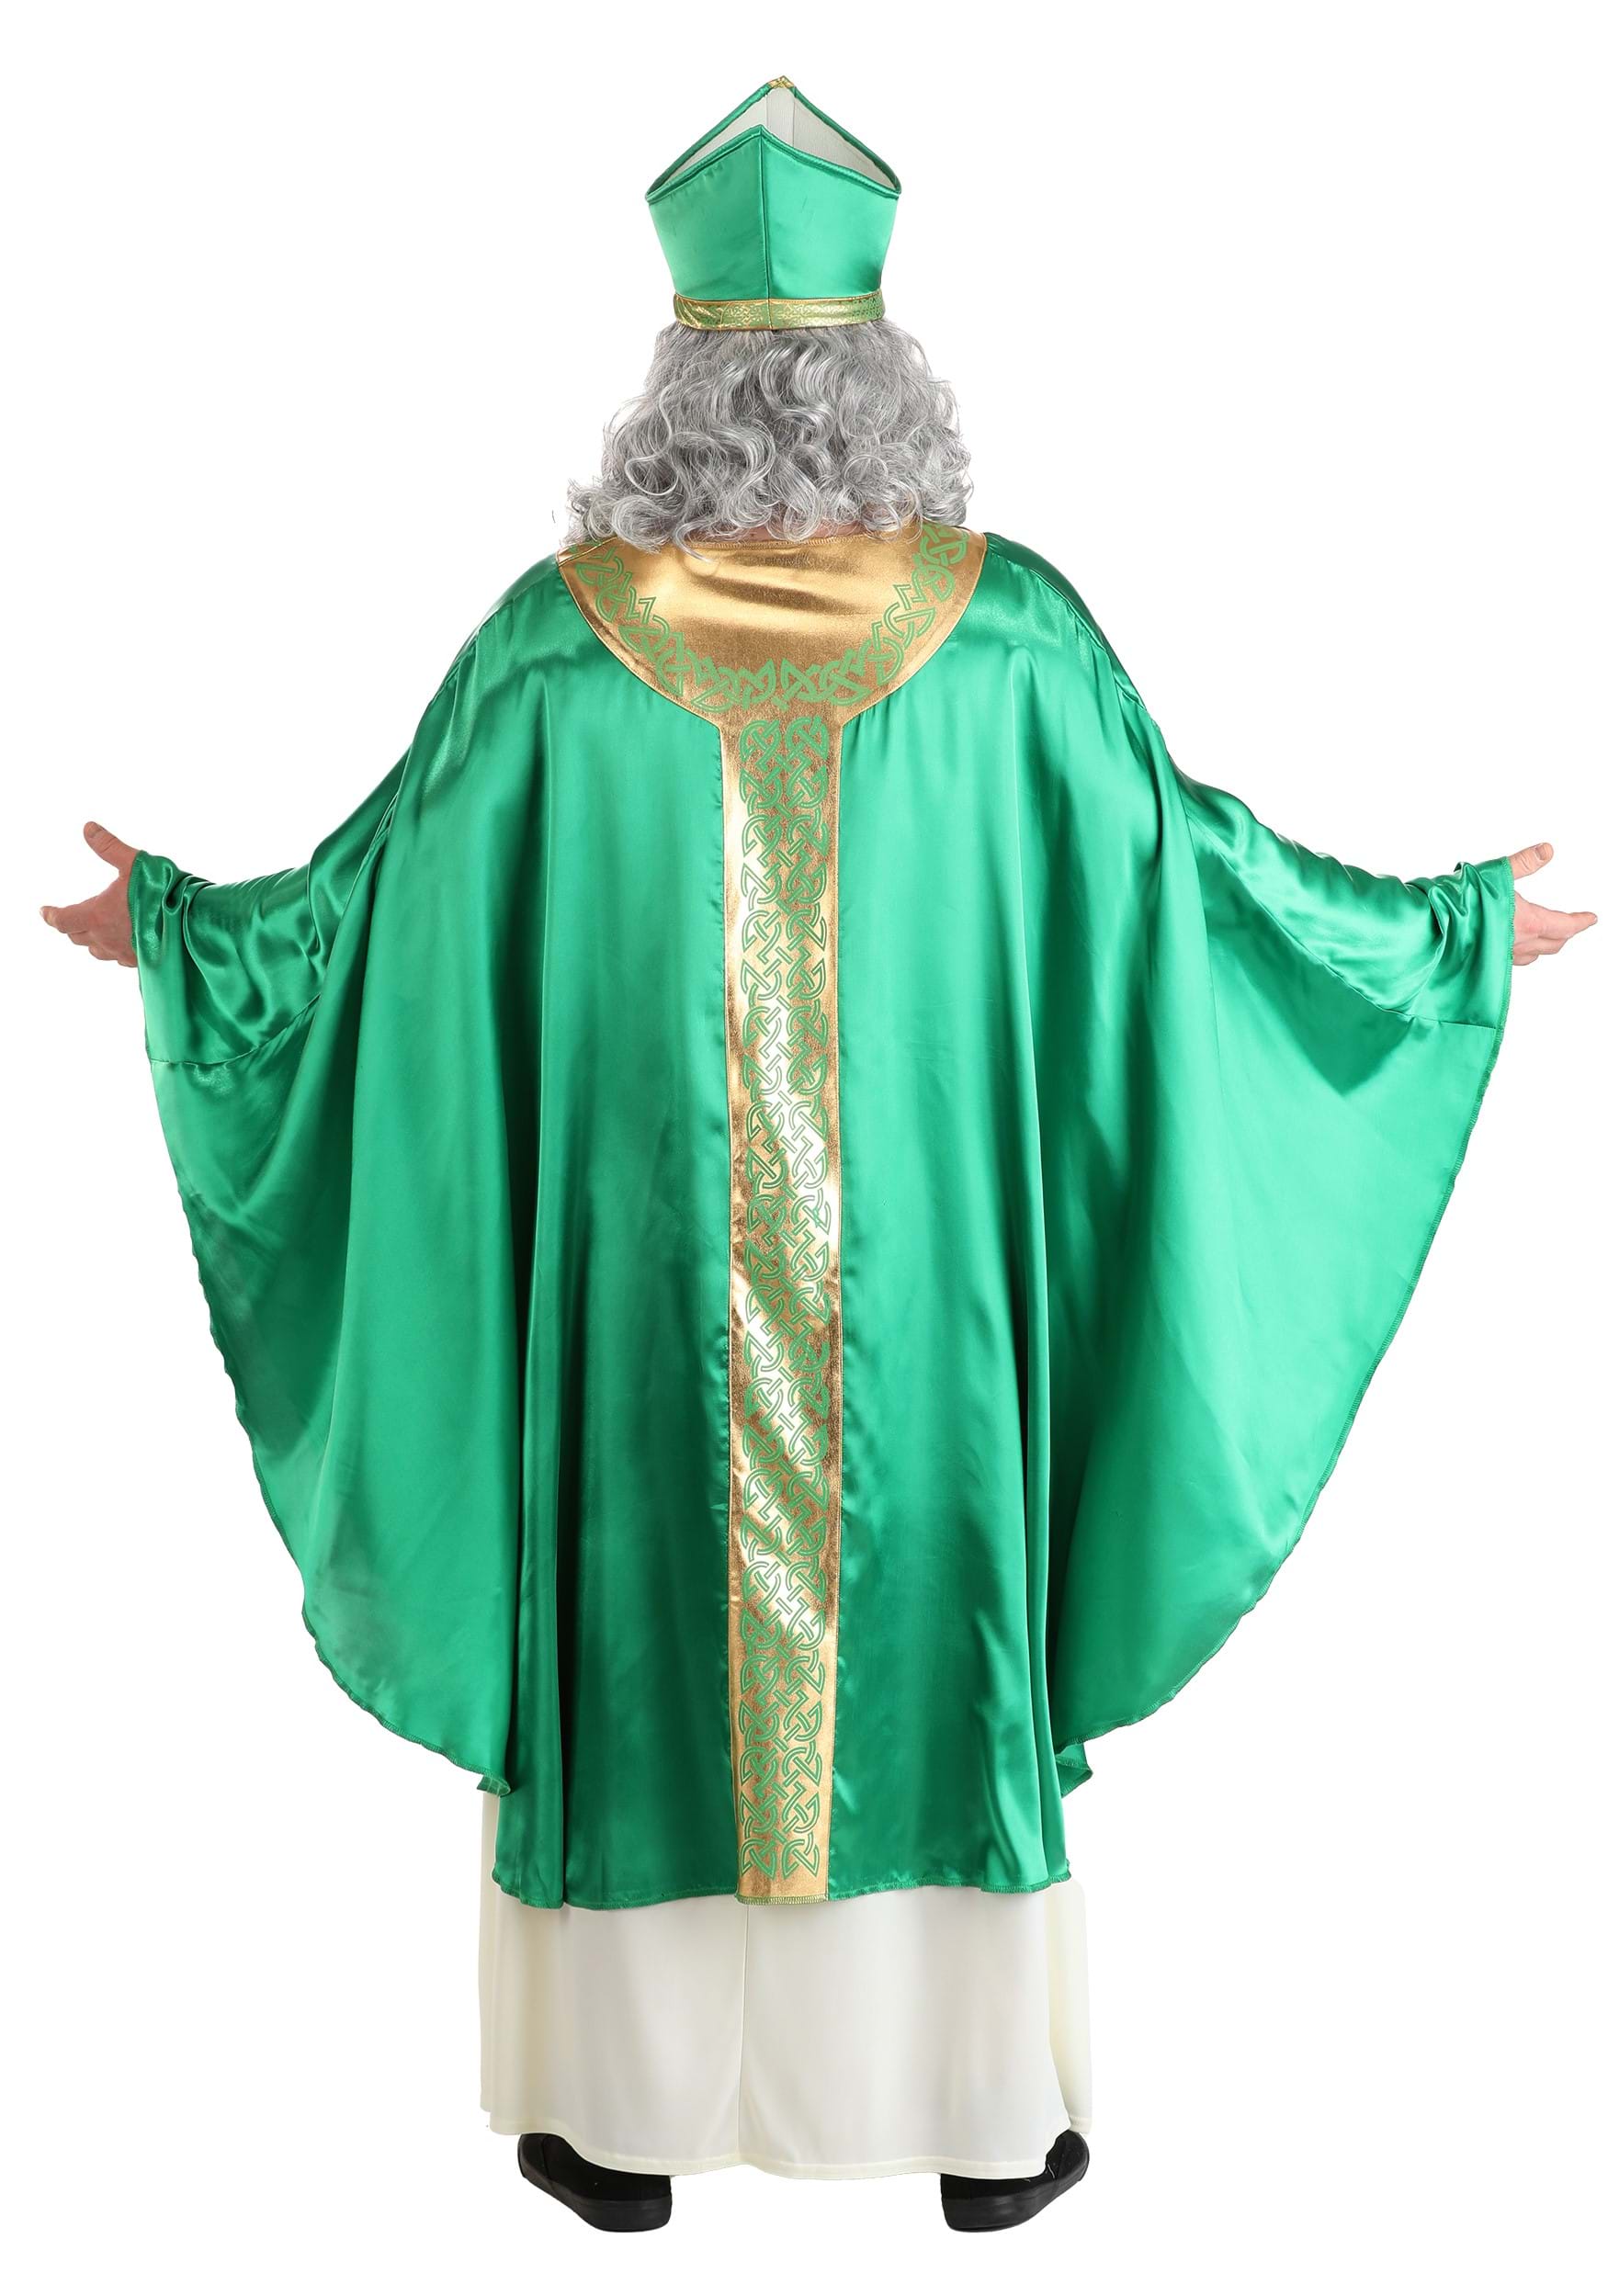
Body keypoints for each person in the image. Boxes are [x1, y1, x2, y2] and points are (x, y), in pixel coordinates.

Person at [41, 76, 1595, 2235]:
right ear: (885, 381)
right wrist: (1430, 937)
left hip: (642, 1340)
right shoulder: (1013, 644)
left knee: (646, 1639)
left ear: (672, 390)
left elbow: (364, 917)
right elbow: (1208, 898)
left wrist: (186, 937)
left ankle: (622, 2113)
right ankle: (975, 2108)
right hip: (927, 1350)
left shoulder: (555, 651)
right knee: (927, 1626)